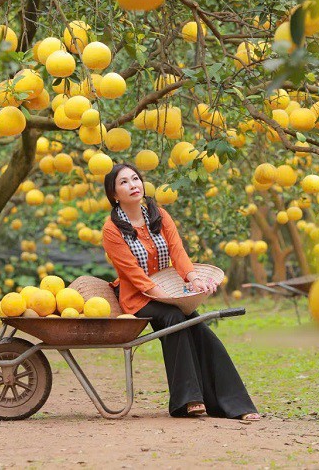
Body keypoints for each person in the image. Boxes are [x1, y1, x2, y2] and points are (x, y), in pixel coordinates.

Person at [101, 163, 260, 420]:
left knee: (200, 328)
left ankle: (234, 404)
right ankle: (189, 400)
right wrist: (167, 297)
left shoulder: (159, 215)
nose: (133, 185)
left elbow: (178, 252)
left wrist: (194, 279)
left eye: (135, 179)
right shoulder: (111, 229)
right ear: (114, 194)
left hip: (169, 290)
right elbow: (131, 273)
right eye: (124, 182)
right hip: (136, 297)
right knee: (174, 319)